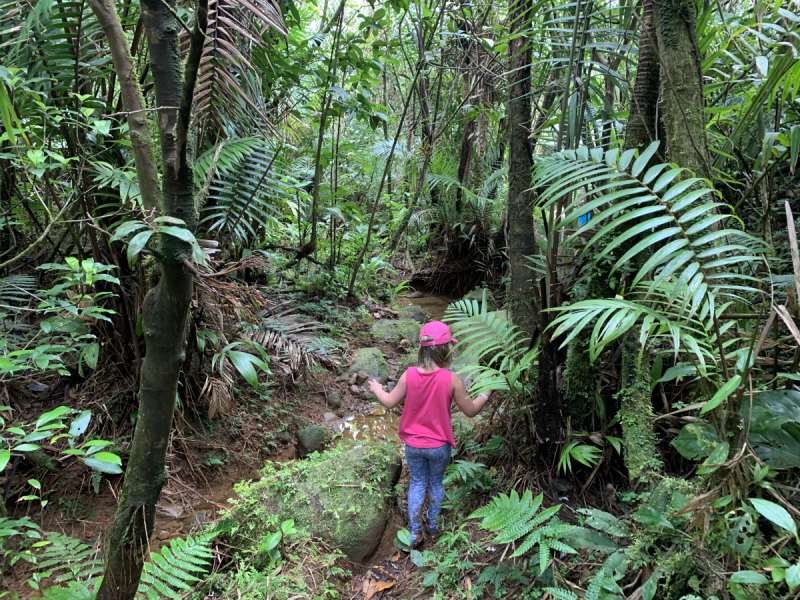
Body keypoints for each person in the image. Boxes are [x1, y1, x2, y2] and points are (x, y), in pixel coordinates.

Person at [368, 320, 492, 549]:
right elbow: (472, 410)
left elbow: (388, 402)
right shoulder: (452, 379)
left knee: (417, 482)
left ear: (421, 349)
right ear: (447, 351)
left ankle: (415, 533)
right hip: (439, 446)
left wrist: (377, 389)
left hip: (413, 445)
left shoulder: (409, 375)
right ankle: (433, 524)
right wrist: (487, 390)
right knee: (436, 482)